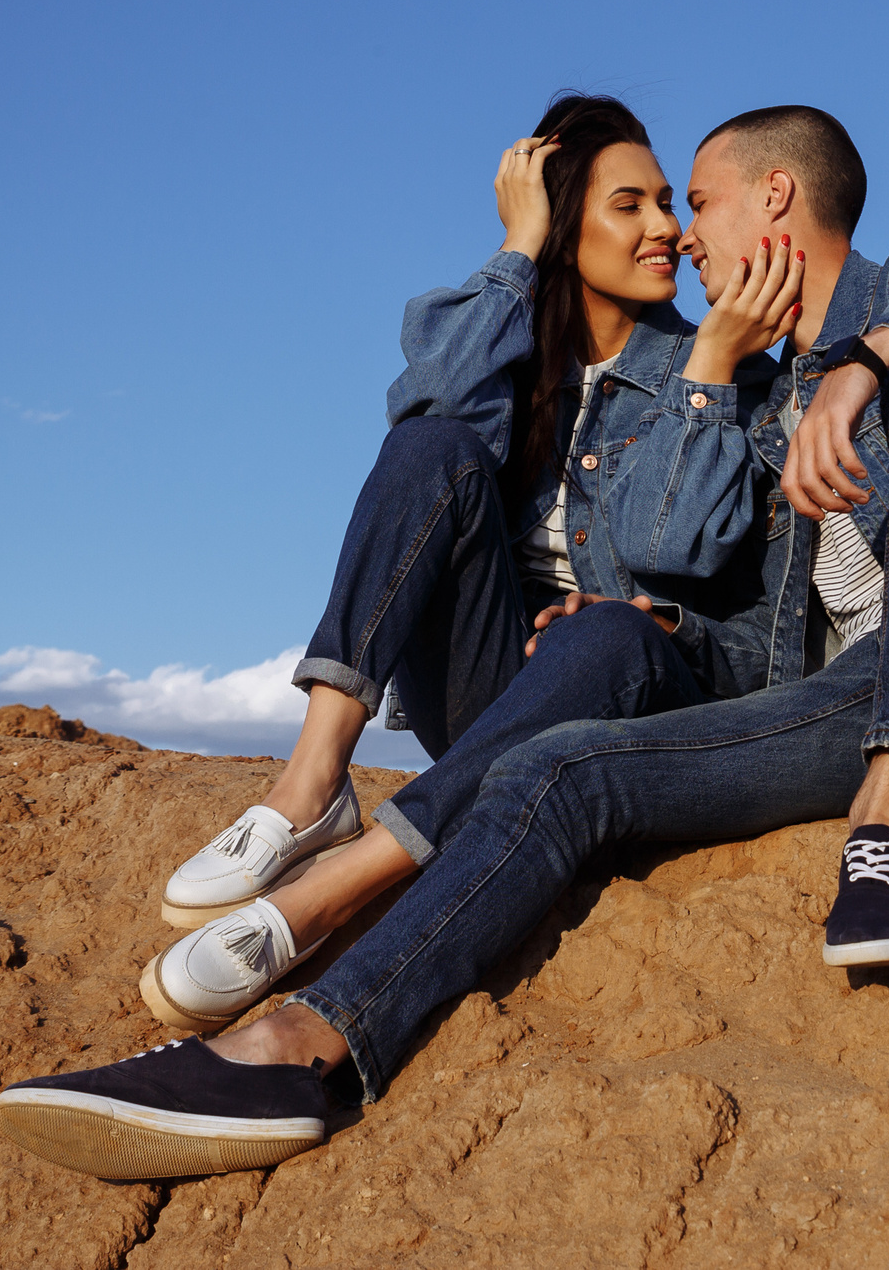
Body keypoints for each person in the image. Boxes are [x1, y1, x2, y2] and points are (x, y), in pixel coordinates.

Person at [0, 105, 889, 1181]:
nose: (686, 239)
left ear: (778, 201)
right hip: (847, 700)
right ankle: (300, 1047)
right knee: (559, 770)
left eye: (696, 202)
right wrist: (651, 626)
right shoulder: (756, 403)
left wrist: (864, 365)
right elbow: (729, 613)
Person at [138, 93, 800, 1030]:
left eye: (669, 202)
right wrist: (519, 249)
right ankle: (312, 783)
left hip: (632, 714)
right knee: (433, 445)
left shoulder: (728, 374)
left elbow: (719, 592)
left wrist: (657, 617)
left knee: (608, 631)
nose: (667, 230)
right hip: (502, 701)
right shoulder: (515, 362)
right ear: (566, 223)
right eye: (630, 205)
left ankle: (344, 883)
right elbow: (431, 404)